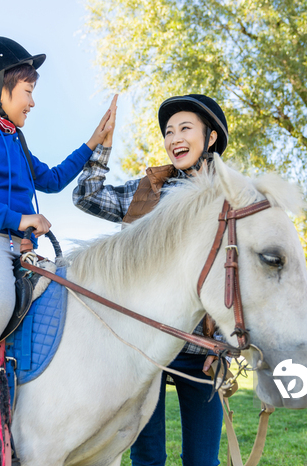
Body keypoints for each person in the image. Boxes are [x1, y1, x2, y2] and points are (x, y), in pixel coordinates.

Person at [0, 36, 116, 466]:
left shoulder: (15, 140)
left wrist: (91, 145)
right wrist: (17, 220)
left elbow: (49, 180)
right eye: (27, 91)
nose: (32, 102)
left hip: (15, 244)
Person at [73, 94, 229, 466]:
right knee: (146, 458)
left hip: (201, 349)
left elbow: (231, 276)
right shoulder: (149, 190)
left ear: (209, 139)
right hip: (145, 348)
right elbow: (86, 195)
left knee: (203, 461)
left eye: (185, 128)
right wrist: (102, 148)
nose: (175, 137)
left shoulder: (229, 199)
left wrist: (222, 342)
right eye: (169, 131)